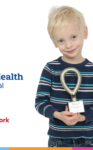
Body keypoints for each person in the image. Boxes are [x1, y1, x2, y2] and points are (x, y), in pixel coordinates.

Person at [35, 5, 93, 147]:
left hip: (88, 140)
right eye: (61, 40)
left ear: (84, 32)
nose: (68, 45)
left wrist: (82, 117)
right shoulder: (51, 69)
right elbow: (40, 102)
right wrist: (58, 115)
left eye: (73, 37)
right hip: (58, 141)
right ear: (54, 42)